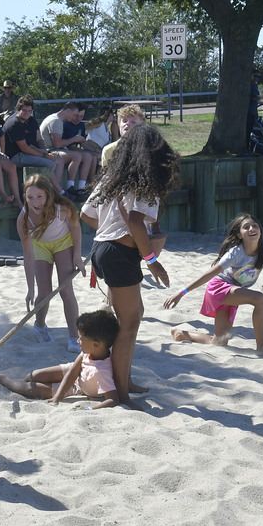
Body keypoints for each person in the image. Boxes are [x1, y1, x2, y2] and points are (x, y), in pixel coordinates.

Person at [80, 124, 178, 399]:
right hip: (119, 255)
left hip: (103, 250)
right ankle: (120, 392)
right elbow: (135, 221)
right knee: (129, 324)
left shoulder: (112, 178)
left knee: (132, 316)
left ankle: (124, 380)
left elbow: (85, 214)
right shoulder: (145, 181)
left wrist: (109, 232)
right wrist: (152, 260)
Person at [165, 213, 263, 355]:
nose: (252, 229)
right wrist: (182, 292)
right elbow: (209, 274)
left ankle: (181, 334)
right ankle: (262, 345)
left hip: (233, 294)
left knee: (219, 342)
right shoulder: (235, 253)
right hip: (218, 289)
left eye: (255, 226)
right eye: (246, 227)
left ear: (260, 230)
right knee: (259, 299)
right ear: (240, 235)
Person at [0, 309, 126, 409]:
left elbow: (113, 399)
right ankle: (35, 383)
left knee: (26, 389)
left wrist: (88, 408)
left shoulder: (101, 371)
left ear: (96, 344)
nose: (78, 341)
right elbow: (71, 374)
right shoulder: (89, 352)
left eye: (81, 339)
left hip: (78, 388)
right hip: (76, 374)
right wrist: (58, 396)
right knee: (32, 376)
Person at [18, 174, 83, 350]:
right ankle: (39, 326)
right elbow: (28, 255)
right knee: (44, 292)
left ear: (48, 195)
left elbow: (76, 227)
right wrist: (30, 287)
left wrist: (77, 255)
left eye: (39, 196)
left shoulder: (62, 208)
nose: (35, 201)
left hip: (63, 243)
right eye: (30, 197)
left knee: (66, 290)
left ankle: (73, 337)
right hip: (40, 246)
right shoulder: (23, 219)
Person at [39, 101, 97, 197]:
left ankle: (81, 188)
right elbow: (57, 144)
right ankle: (70, 187)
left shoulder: (58, 120)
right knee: (77, 156)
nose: (74, 117)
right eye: (74, 114)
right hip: (49, 150)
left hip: (55, 149)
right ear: (68, 111)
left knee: (87, 156)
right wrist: (74, 139)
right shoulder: (56, 120)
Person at [3, 96, 67, 183]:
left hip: (30, 152)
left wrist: (44, 151)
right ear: (18, 109)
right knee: (50, 163)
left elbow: (39, 138)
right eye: (24, 110)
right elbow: (24, 148)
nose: (27, 113)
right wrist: (44, 155)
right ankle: (50, 191)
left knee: (58, 160)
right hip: (16, 156)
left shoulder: (31, 120)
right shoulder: (14, 123)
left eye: (29, 111)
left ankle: (55, 190)